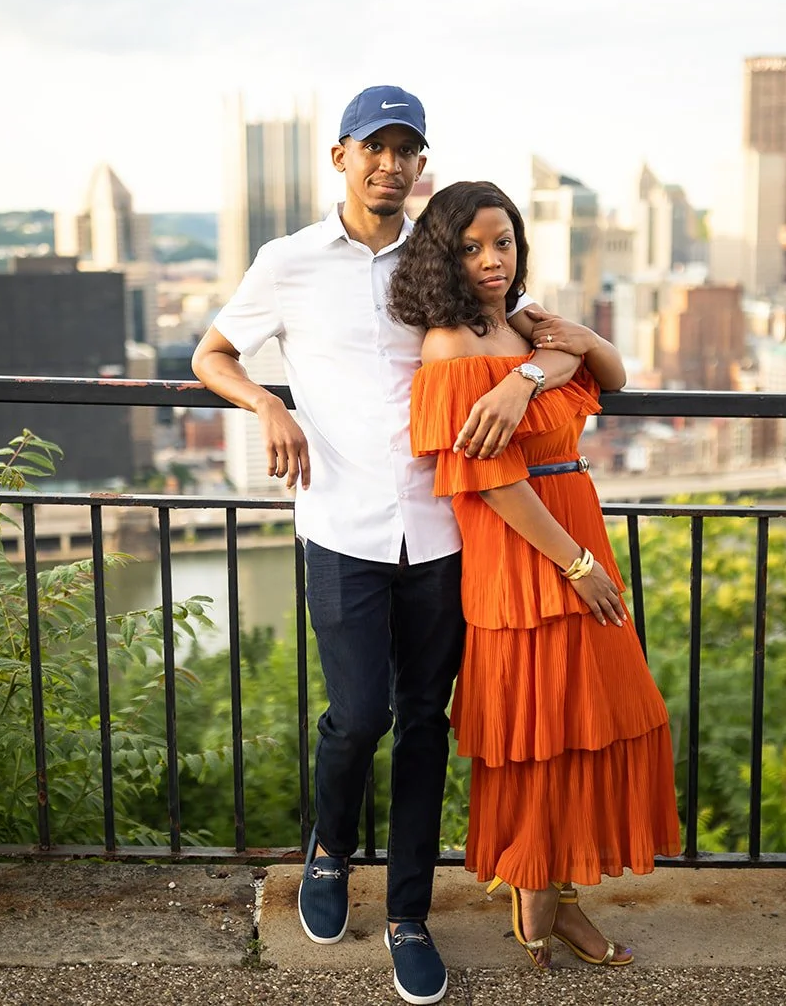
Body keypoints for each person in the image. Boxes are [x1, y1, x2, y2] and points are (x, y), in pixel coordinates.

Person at [191, 88, 580, 1005]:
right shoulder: (286, 262)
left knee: (424, 727)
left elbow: (552, 341)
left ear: (420, 166)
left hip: (446, 533)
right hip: (341, 526)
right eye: (376, 147)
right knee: (358, 715)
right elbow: (211, 354)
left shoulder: (445, 258)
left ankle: (410, 913)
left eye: (407, 151)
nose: (390, 165)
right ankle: (330, 847)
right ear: (341, 157)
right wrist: (267, 404)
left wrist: (524, 380)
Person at [388, 180, 683, 970]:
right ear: (444, 255)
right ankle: (535, 887)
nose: (492, 259)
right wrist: (578, 563)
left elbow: (610, 373)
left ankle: (557, 887)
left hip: (573, 522)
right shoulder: (449, 344)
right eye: (473, 246)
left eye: (504, 242)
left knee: (596, 714)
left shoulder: (521, 324)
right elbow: (488, 476)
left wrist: (554, 355)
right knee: (539, 729)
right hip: (527, 548)